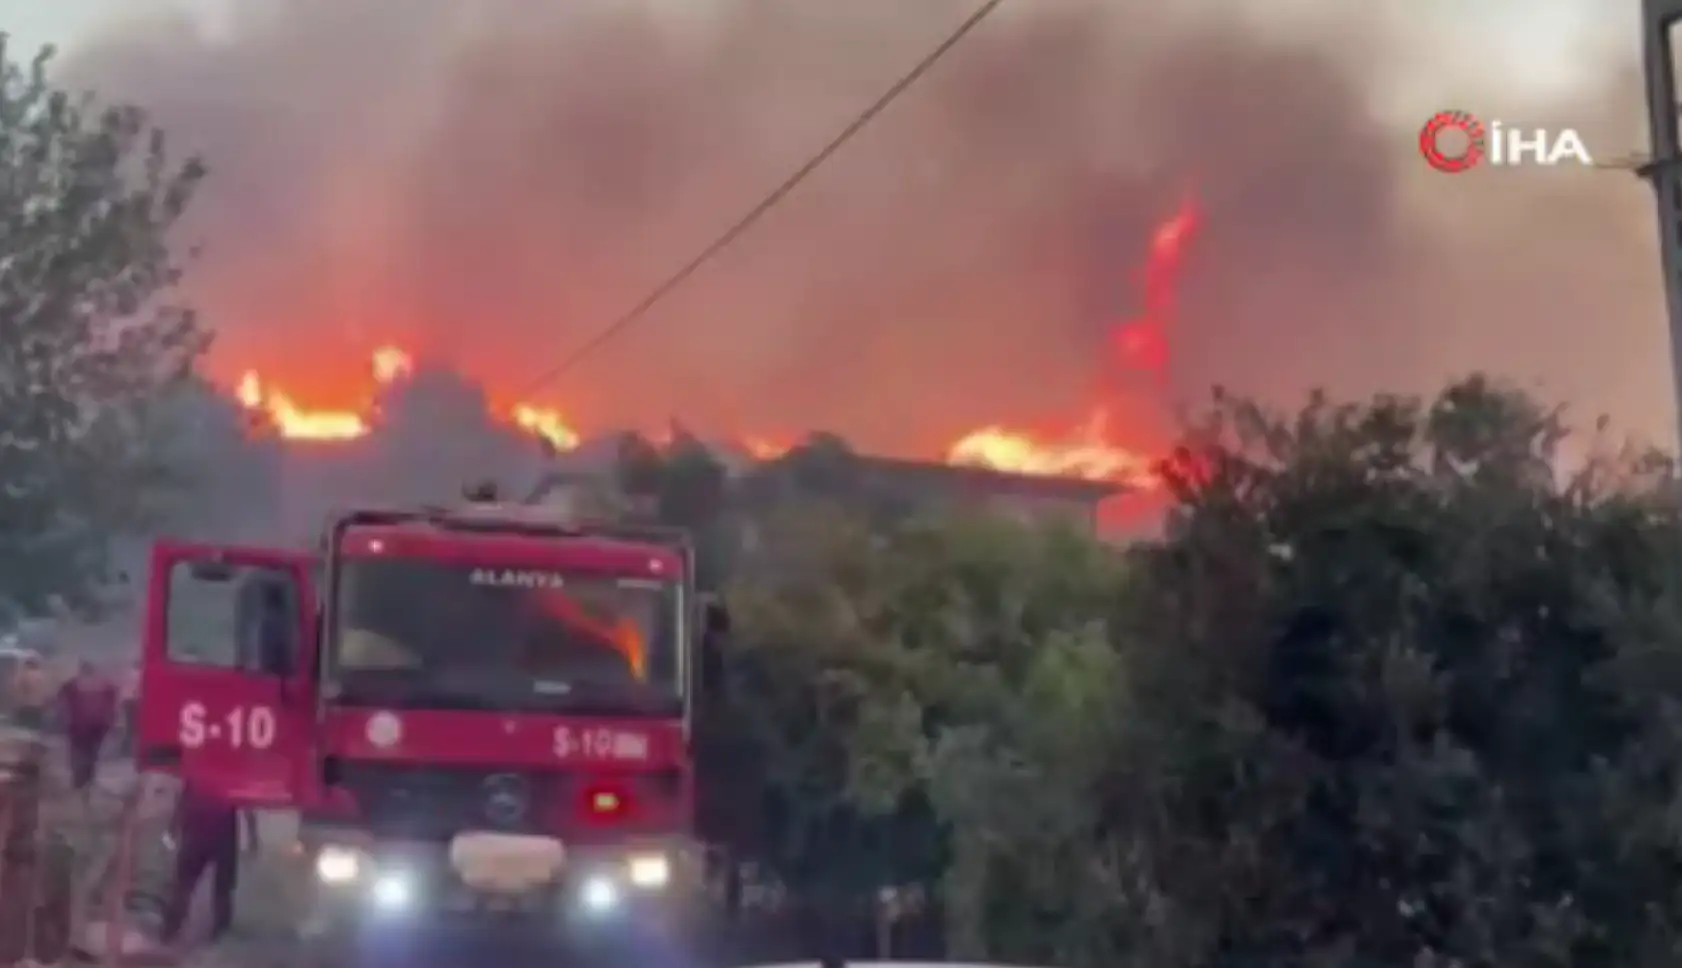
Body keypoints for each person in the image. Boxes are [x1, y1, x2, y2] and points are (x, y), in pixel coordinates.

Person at [162, 781, 241, 945]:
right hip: (221, 836)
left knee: (184, 884)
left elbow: (183, 800)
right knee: (221, 888)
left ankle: (171, 929)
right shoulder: (231, 774)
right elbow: (244, 803)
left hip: (197, 835)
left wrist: (172, 829)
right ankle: (220, 933)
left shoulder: (198, 772)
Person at [58, 661, 118, 793]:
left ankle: (79, 780)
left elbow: (61, 698)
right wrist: (112, 722)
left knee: (78, 753)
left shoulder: (73, 684)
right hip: (99, 725)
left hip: (78, 725)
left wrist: (64, 720)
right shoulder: (105, 684)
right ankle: (89, 778)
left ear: (81, 670)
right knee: (93, 752)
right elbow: (112, 703)